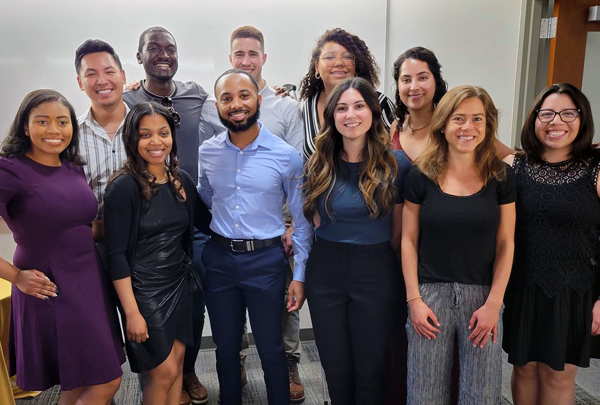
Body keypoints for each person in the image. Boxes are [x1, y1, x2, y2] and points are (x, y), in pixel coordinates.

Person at [198, 25, 306, 402]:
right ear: (217, 106)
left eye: (244, 95)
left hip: (267, 260)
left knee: (272, 348)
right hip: (220, 259)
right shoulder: (208, 151)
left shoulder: (285, 154)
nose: (236, 103)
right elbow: (206, 195)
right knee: (225, 350)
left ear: (258, 98)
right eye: (226, 98)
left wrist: (301, 274)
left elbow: (301, 216)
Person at [0, 89, 124, 405]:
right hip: (50, 285)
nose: (54, 131)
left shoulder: (72, 166)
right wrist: (16, 277)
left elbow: (80, 225)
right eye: (42, 121)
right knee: (107, 381)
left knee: (77, 380)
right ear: (25, 127)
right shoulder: (9, 169)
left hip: (89, 280)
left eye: (62, 122)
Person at [401, 85, 516, 405]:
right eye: (459, 119)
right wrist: (414, 300)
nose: (468, 127)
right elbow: (408, 240)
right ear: (443, 124)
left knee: (480, 394)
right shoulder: (420, 174)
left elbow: (506, 244)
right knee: (424, 393)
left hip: (483, 298)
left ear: (488, 124)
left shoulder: (502, 176)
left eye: (477, 119)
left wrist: (495, 304)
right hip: (429, 297)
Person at [302, 77, 411, 404]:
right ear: (332, 115)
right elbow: (313, 218)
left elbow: (398, 232)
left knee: (371, 369)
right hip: (326, 273)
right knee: (336, 368)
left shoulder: (397, 165)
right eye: (342, 107)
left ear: (373, 112)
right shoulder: (318, 164)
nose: (350, 115)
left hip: (376, 272)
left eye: (359, 106)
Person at [123, 26, 210, 405]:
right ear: (139, 56)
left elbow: (235, 107)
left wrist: (269, 93)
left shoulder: (197, 95)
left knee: (192, 316)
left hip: (187, 223)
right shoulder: (126, 100)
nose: (163, 54)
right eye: (153, 48)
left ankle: (185, 371)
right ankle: (160, 380)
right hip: (144, 238)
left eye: (170, 48)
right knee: (158, 356)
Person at [104, 102, 211, 405]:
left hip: (180, 284)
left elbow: (210, 224)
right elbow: (116, 257)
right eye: (145, 134)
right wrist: (132, 313)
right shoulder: (122, 188)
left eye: (163, 133)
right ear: (132, 139)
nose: (156, 142)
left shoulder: (181, 180)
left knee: (177, 367)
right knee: (161, 373)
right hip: (144, 292)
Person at [502, 83, 600, 405]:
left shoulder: (596, 168)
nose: (556, 121)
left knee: (558, 376)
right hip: (524, 287)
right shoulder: (515, 166)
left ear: (582, 119)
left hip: (575, 291)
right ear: (534, 120)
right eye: (547, 113)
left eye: (568, 113)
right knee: (525, 369)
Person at [390, 46, 513, 161]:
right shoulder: (396, 126)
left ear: (436, 82)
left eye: (422, 78)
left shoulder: (453, 125)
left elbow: (510, 156)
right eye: (406, 80)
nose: (414, 87)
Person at [300, 27, 395, 160]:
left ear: (357, 65)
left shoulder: (379, 102)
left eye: (347, 57)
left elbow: (395, 151)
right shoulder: (307, 105)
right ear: (316, 67)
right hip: (320, 181)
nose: (339, 63)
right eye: (330, 57)